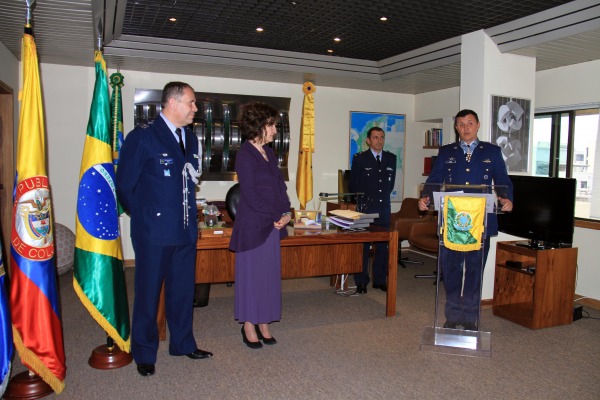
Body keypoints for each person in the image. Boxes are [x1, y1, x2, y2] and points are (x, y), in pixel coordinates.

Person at [116, 81, 212, 377]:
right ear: (173, 103)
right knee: (147, 293)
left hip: (185, 230)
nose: (195, 109)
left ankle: (183, 343)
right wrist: (145, 217)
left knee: (183, 291)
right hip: (154, 231)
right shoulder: (143, 137)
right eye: (192, 103)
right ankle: (144, 352)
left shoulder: (191, 139)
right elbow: (124, 185)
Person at [418, 109, 513, 331]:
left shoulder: (492, 151)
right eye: (461, 124)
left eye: (470, 123)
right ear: (456, 127)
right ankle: (452, 315)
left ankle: (470, 317)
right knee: (451, 270)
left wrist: (506, 200)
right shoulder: (446, 151)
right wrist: (425, 198)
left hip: (481, 221)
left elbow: (503, 180)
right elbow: (434, 179)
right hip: (453, 221)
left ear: (478, 125)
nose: (465, 128)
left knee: (474, 270)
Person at [229, 102, 291, 349]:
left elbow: (280, 187)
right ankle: (248, 324)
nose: (276, 130)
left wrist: (287, 212)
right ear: (260, 126)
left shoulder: (271, 153)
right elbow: (252, 195)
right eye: (272, 125)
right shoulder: (245, 154)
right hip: (254, 226)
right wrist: (274, 216)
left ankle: (264, 321)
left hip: (273, 225)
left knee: (268, 277)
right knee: (252, 278)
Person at [350, 127, 397, 294]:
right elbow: (353, 186)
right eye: (376, 137)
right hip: (365, 208)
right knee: (363, 245)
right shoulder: (360, 159)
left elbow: (390, 185)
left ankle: (380, 280)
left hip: (383, 207)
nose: (379, 140)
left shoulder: (391, 158)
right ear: (368, 140)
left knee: (383, 245)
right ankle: (361, 281)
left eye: (382, 137)